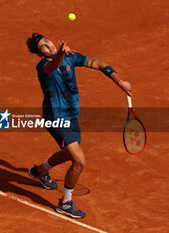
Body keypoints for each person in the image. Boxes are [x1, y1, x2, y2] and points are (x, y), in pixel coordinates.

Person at [26, 33, 132, 219]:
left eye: (47, 41)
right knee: (79, 161)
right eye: (43, 46)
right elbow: (54, 64)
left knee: (68, 153)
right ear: (39, 53)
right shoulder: (43, 66)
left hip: (72, 115)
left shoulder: (70, 56)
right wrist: (60, 52)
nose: (48, 45)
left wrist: (119, 81)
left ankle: (40, 171)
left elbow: (99, 64)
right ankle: (65, 203)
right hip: (56, 118)